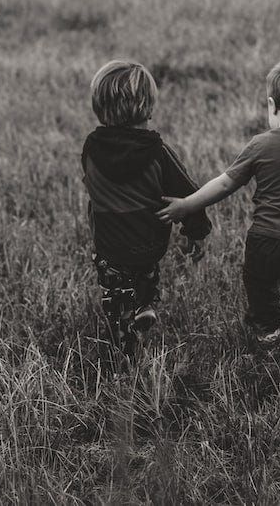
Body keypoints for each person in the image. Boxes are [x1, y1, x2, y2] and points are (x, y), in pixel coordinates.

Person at [158, 57, 280, 352]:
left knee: (261, 290)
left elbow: (224, 183)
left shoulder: (260, 144)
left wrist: (186, 204)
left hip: (265, 241)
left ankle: (267, 331)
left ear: (272, 105)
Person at [82, 60, 211, 356]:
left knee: (116, 294)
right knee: (145, 273)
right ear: (148, 107)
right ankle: (144, 304)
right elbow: (188, 193)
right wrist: (196, 231)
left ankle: (124, 339)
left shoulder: (91, 147)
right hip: (149, 242)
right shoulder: (157, 152)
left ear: (99, 107)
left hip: (109, 245)